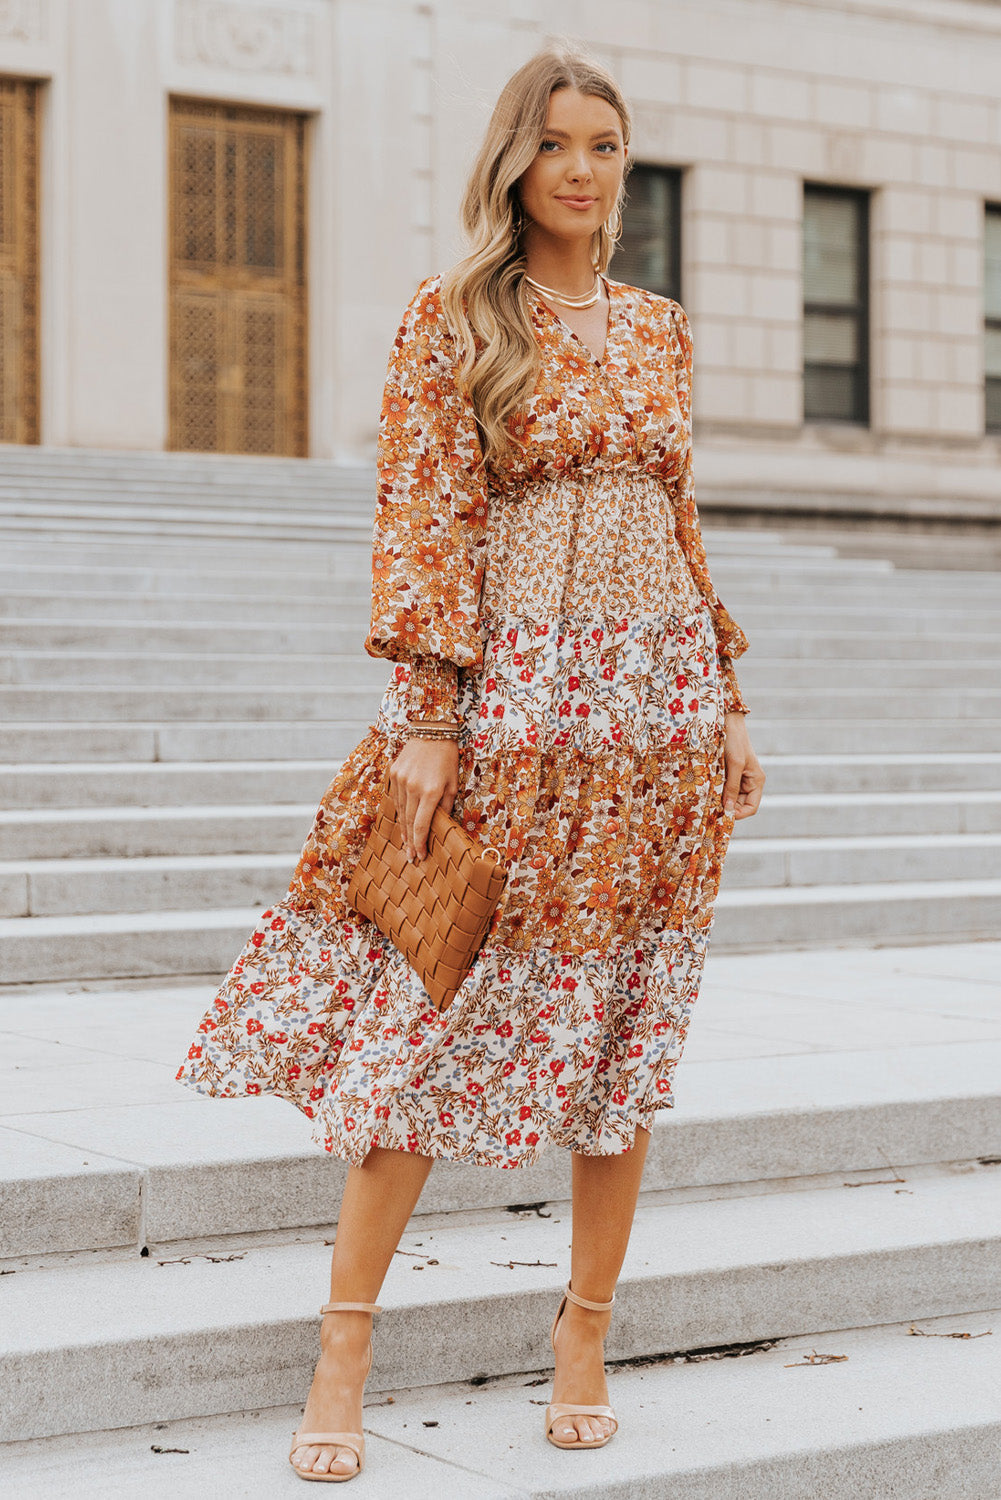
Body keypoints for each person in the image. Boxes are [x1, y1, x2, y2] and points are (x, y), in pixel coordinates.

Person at [177, 43, 765, 1484]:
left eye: (605, 145)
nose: (580, 167)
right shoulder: (450, 320)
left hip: (659, 708)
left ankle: (583, 1334)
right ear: (512, 160)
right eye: (555, 143)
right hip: (519, 700)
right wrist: (428, 718)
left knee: (629, 1022)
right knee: (425, 1021)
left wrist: (731, 693)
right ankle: (344, 1346)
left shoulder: (657, 328)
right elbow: (425, 518)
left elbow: (680, 521)